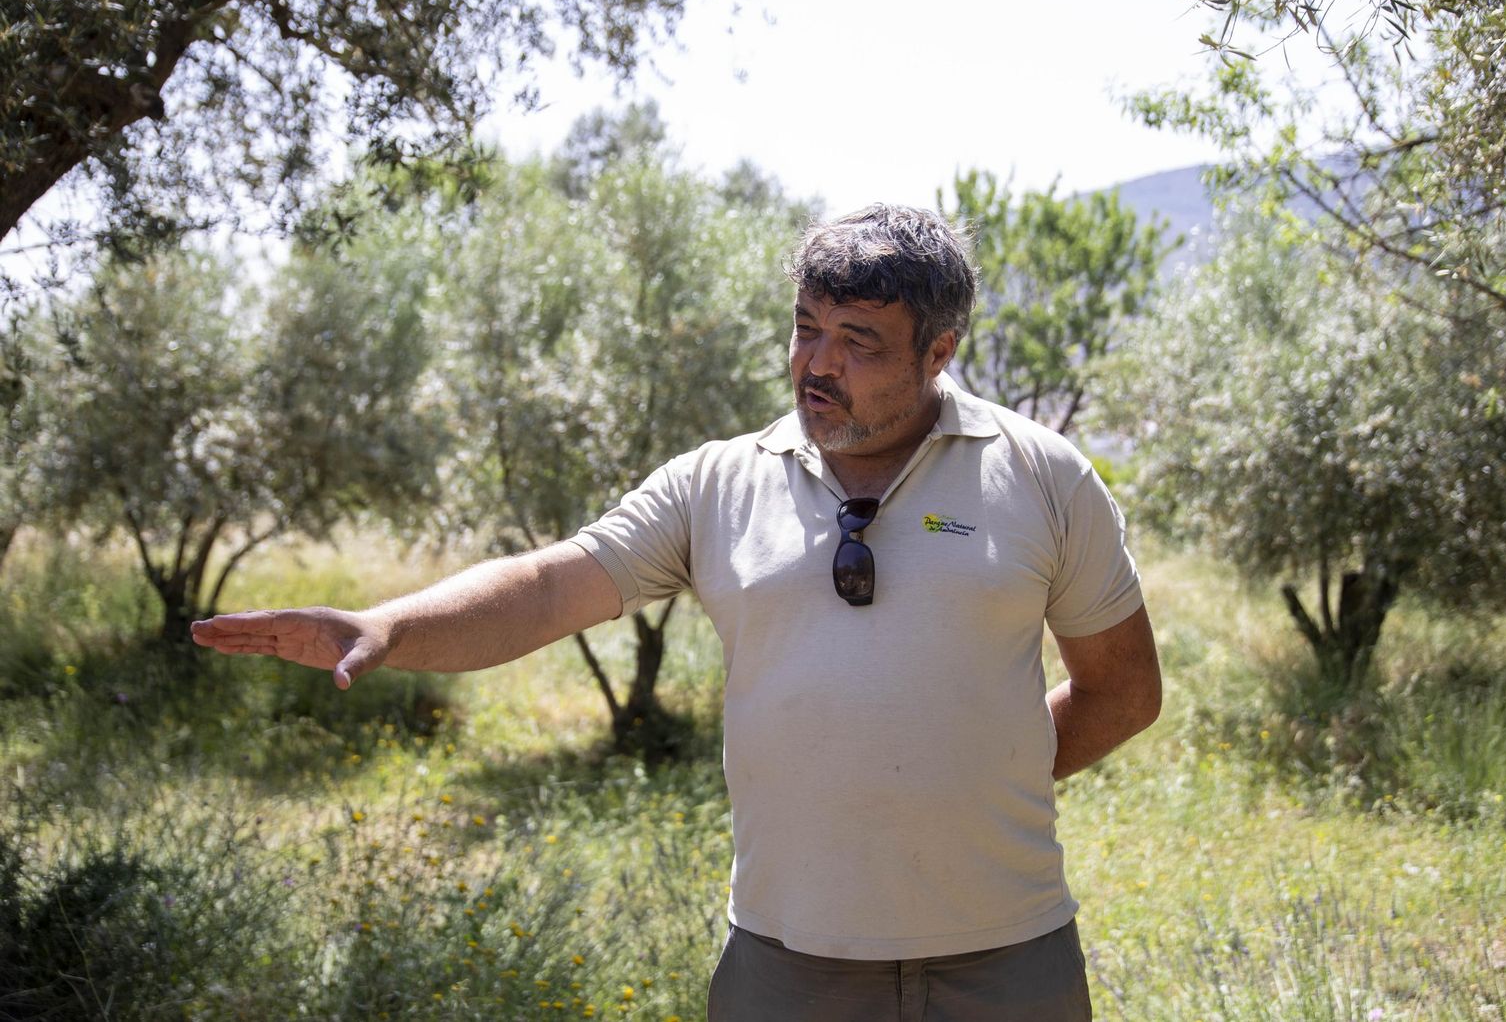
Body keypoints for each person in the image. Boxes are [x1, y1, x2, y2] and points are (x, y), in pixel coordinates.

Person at [192, 204, 1162, 1021]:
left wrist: (977, 770)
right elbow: (552, 585)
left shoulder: (1043, 476)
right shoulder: (716, 484)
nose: (816, 364)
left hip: (1009, 959)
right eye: (805, 328)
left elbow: (1122, 690)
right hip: (787, 967)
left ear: (939, 352)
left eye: (857, 342)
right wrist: (389, 626)